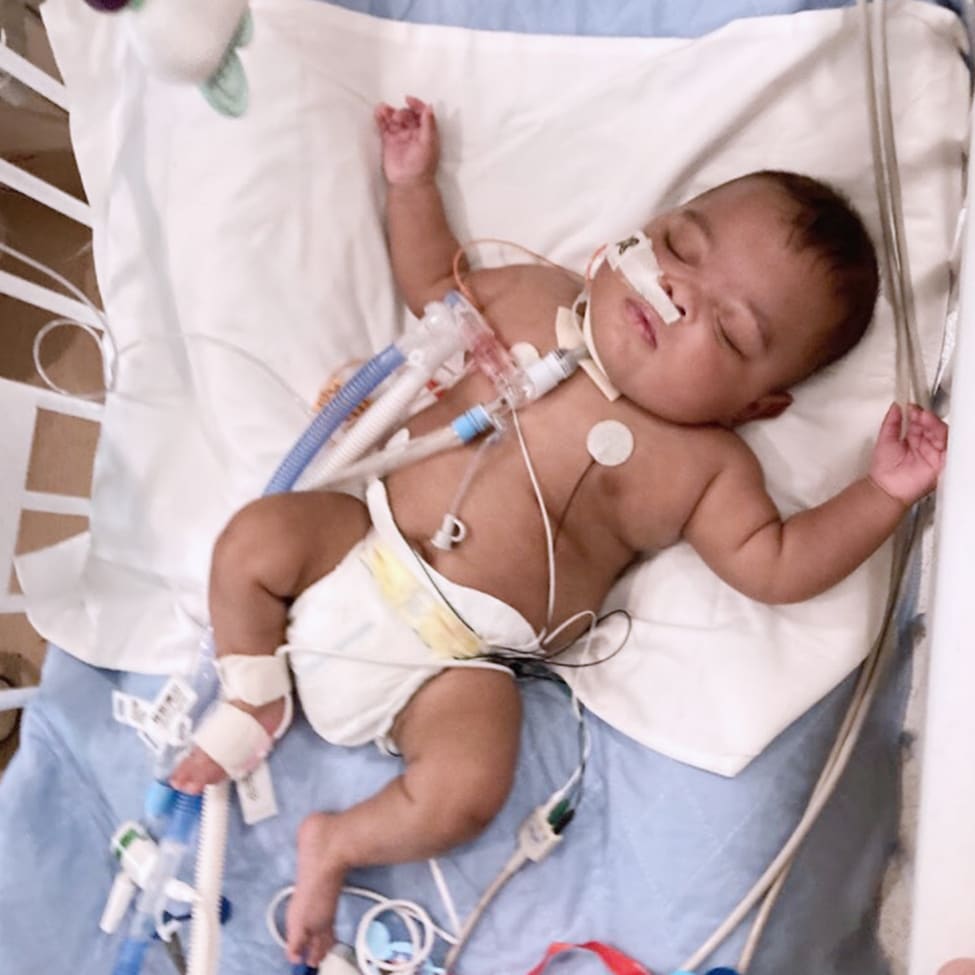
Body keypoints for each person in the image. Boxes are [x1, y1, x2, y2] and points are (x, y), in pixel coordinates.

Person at [169, 96, 947, 966]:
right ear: (636, 235)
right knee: (254, 541)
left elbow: (778, 563)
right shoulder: (536, 298)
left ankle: (338, 842)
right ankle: (250, 692)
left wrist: (882, 493)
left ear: (756, 404)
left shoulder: (704, 466)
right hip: (362, 537)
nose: (683, 296)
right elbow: (433, 285)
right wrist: (411, 183)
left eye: (729, 330)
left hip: (462, 660)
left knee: (469, 786)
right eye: (682, 248)